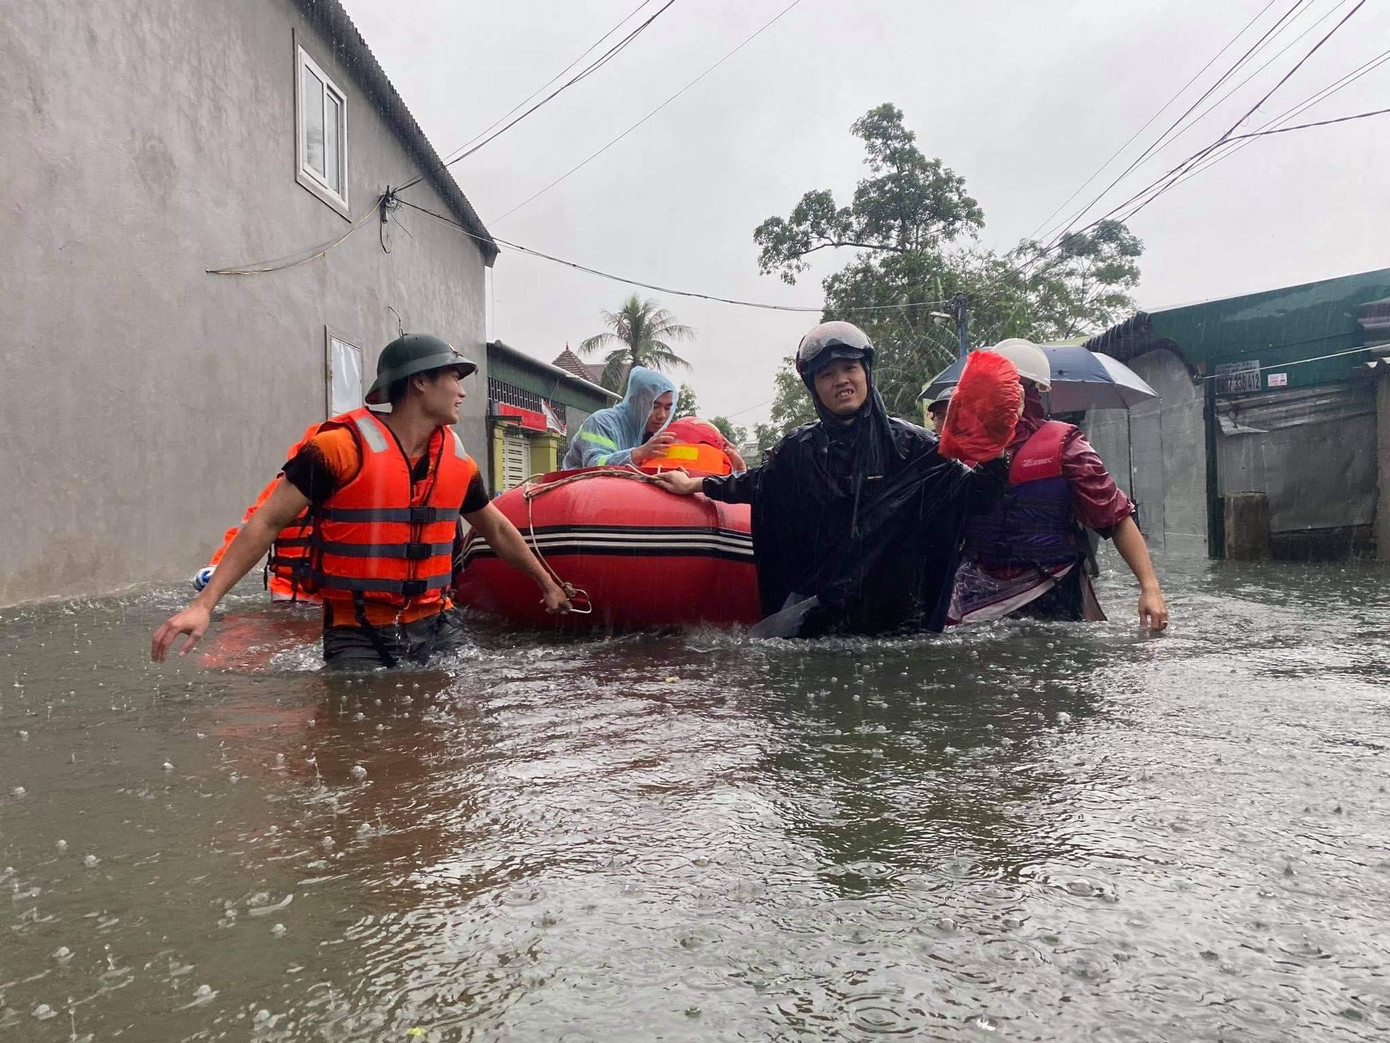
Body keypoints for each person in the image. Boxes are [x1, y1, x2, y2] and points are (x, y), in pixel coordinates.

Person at [153, 334, 572, 668]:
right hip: (357, 633)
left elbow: (495, 528)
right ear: (420, 382)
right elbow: (266, 523)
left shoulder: (457, 461)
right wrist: (203, 605)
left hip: (439, 625)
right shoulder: (337, 449)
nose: (461, 391)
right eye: (453, 377)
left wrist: (547, 583)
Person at [653, 321, 1010, 637]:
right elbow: (756, 484)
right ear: (814, 387)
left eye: (849, 368)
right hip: (826, 619)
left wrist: (992, 449)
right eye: (826, 374)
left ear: (866, 372)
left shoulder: (914, 447)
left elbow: (976, 497)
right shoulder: (799, 450)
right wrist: (696, 484)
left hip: (900, 622)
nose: (841, 381)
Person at [948, 338, 1169, 631]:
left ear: (1032, 393)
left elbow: (1115, 517)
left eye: (1016, 388)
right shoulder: (959, 448)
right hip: (974, 592)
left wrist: (1150, 588)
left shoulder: (1066, 446)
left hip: (1051, 589)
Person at [561, 367, 679, 469]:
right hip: (575, 491)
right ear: (635, 402)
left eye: (668, 408)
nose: (662, 415)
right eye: (654, 406)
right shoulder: (601, 422)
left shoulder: (652, 437)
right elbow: (594, 466)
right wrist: (637, 454)